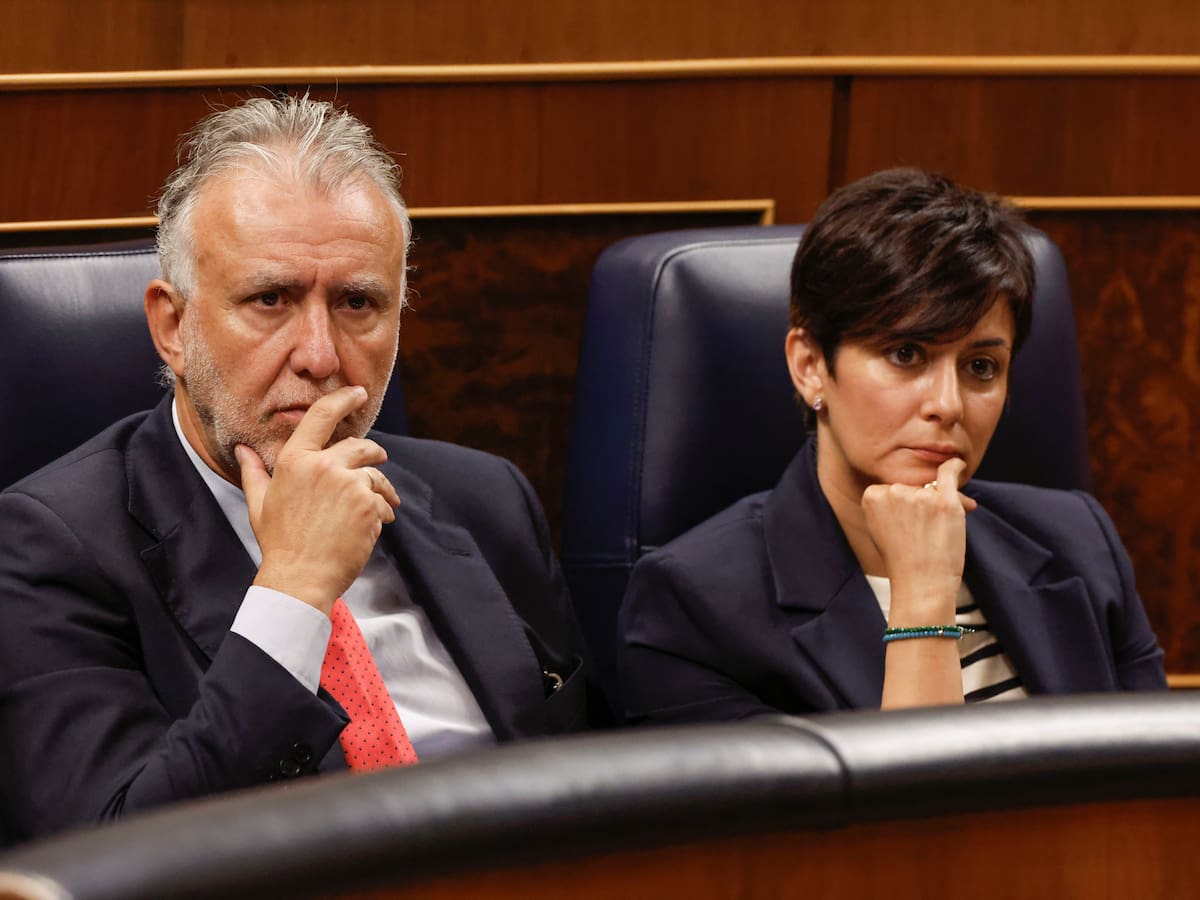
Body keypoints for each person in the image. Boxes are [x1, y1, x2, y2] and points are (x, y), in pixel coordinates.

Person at [0, 95, 596, 844]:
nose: (319, 355)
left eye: (357, 302)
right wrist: (294, 590)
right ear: (172, 327)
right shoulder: (49, 551)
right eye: (270, 299)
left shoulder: (486, 500)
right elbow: (114, 858)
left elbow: (604, 790)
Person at [618, 168, 1167, 725]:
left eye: (981, 366)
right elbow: (928, 786)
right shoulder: (690, 607)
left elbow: (1159, 773)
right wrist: (924, 595)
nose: (948, 404)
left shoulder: (1080, 541)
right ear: (810, 367)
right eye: (906, 354)